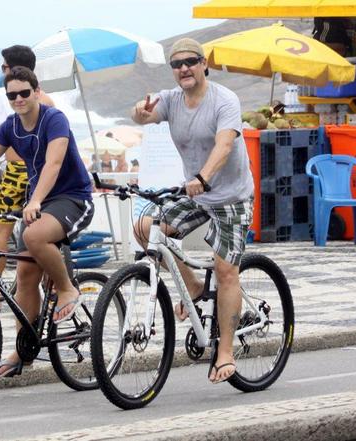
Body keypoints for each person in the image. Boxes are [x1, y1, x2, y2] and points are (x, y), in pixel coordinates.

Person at [0, 66, 94, 377]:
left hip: (72, 197)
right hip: (39, 203)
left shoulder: (54, 119)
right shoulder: (11, 126)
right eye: (12, 95)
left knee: (34, 237)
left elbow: (53, 164)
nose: (18, 99)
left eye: (24, 92)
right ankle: (23, 349)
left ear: (36, 92)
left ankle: (67, 289)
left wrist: (36, 200)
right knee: (25, 276)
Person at [130, 38, 254, 384]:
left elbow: (225, 144)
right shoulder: (171, 100)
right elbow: (143, 111)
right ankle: (194, 286)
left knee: (226, 269)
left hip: (231, 196)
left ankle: (226, 352)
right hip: (197, 195)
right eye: (176, 64)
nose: (183, 68)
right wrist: (138, 113)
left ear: (203, 64)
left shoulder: (224, 100)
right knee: (144, 228)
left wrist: (202, 176)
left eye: (190, 61)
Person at [0, 45, 56, 310]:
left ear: (9, 69)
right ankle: (51, 288)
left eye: (3, 67)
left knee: (1, 232)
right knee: (42, 234)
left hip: (14, 174)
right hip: (40, 175)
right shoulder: (46, 99)